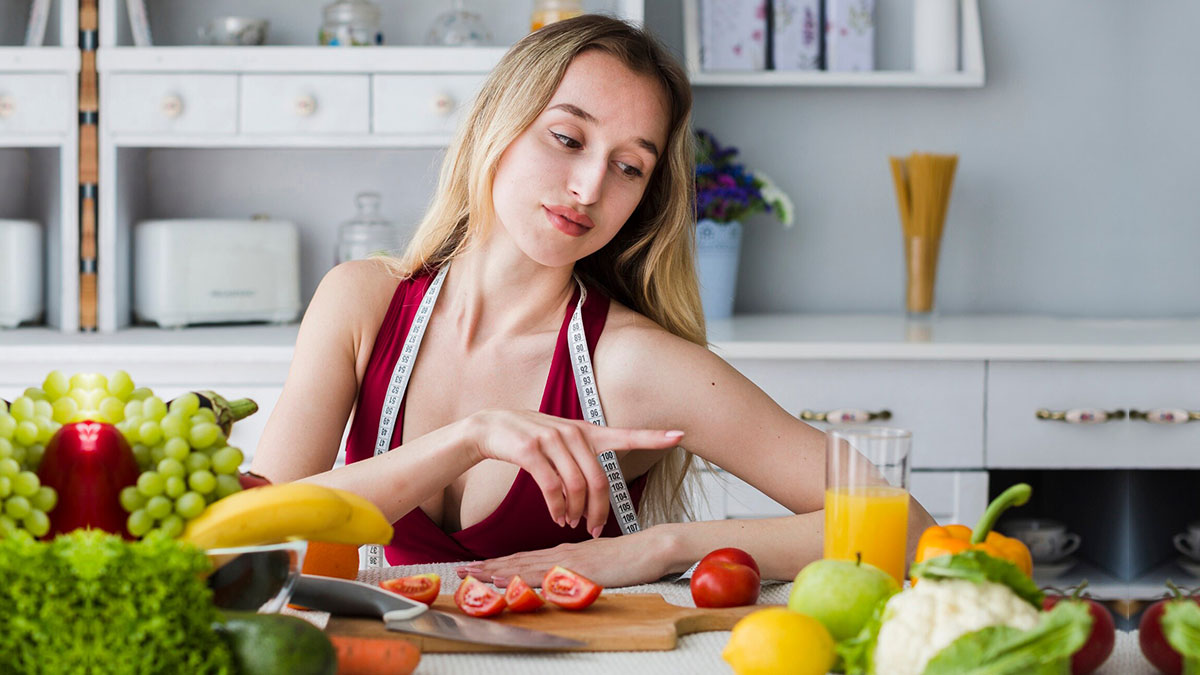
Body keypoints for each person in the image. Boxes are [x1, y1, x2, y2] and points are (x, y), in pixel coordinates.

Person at [251, 14, 936, 588]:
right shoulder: (362, 304)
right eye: (568, 138)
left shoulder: (631, 363)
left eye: (629, 166)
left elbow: (901, 522)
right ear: (500, 122)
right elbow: (261, 530)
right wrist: (470, 437)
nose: (587, 186)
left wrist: (662, 547)